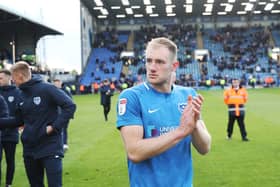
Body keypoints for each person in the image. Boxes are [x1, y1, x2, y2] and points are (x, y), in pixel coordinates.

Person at [116, 37, 211, 187]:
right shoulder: (131, 97)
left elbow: (205, 147)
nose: (152, 67)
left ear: (174, 66)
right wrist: (180, 132)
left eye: (159, 62)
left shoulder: (188, 95)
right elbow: (134, 152)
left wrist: (194, 127)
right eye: (149, 61)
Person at [0, 61, 76, 187]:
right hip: (30, 149)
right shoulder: (21, 95)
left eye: (13, 79)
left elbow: (70, 106)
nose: (13, 81)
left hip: (50, 146)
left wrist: (54, 127)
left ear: (20, 76)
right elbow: (18, 120)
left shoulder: (47, 88)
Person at [0, 69, 21, 187]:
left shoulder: (17, 92)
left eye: (1, 78)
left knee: (10, 159)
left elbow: (20, 113)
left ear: (9, 78)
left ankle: (8, 183)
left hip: (11, 133)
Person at [53, 78, 72, 152]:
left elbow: (70, 103)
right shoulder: (51, 91)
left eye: (57, 82)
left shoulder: (66, 91)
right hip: (55, 114)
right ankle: (59, 144)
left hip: (64, 114)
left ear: (61, 82)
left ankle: (64, 144)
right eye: (55, 83)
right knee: (56, 129)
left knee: (64, 129)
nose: (56, 84)